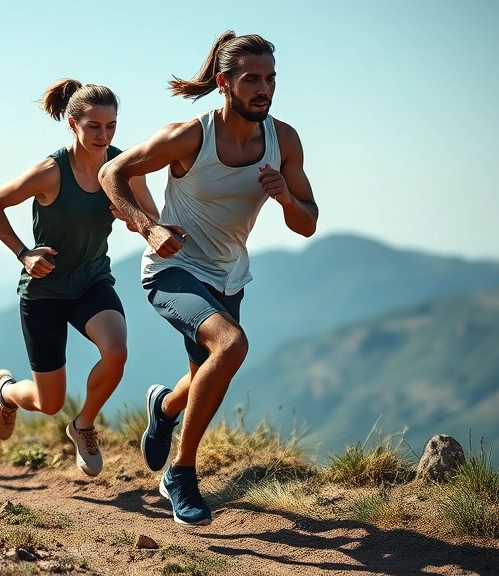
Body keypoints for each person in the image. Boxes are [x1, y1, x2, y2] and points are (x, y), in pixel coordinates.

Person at [98, 31, 319, 525]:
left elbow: (307, 223)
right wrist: (148, 227)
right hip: (172, 269)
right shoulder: (190, 137)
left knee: (205, 374)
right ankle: (181, 473)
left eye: (271, 78)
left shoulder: (283, 140)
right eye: (252, 79)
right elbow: (112, 173)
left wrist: (285, 198)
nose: (264, 89)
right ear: (224, 83)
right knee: (232, 345)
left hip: (228, 276)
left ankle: (164, 407)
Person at [0, 79, 155, 477]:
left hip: (92, 281)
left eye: (111, 126)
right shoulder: (50, 172)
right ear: (72, 125)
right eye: (94, 126)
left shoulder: (122, 169)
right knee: (49, 402)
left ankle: (83, 425)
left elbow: (152, 221)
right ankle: (7, 393)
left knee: (117, 351)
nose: (104, 135)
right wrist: (23, 253)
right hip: (45, 291)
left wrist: (134, 221)